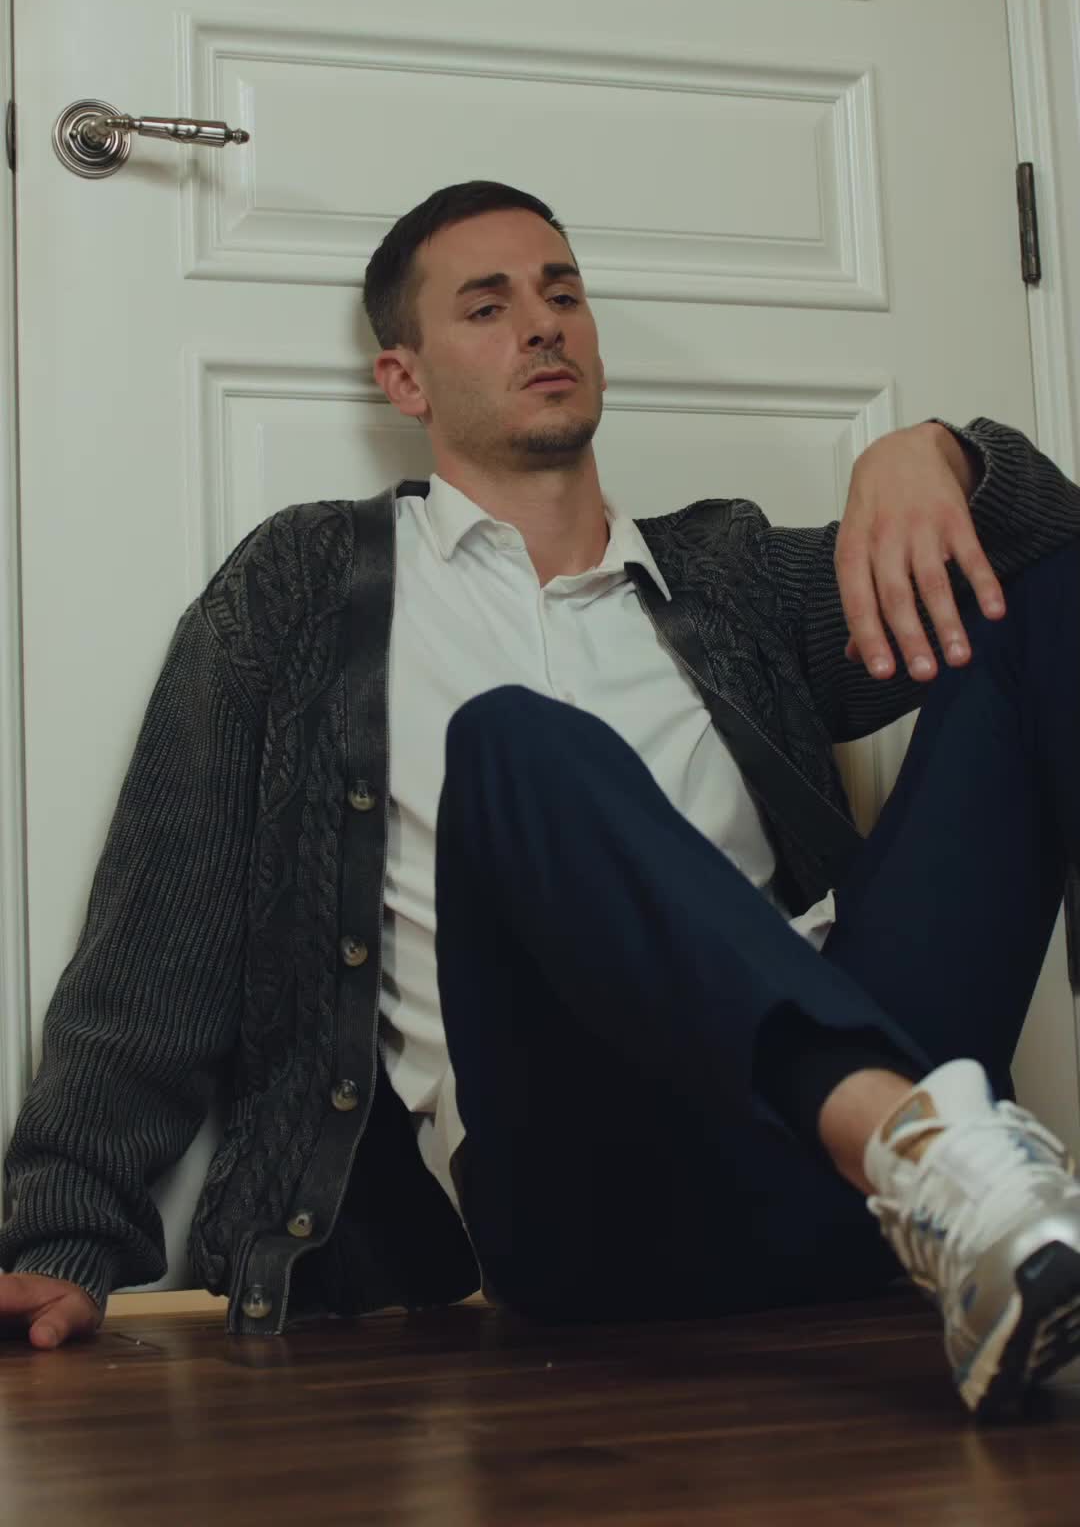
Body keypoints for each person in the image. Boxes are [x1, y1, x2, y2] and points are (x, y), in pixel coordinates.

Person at [3, 179, 1080, 1419]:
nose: (543, 323)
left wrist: (936, 452)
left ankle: (931, 1167)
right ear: (405, 380)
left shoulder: (729, 577)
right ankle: (929, 1153)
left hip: (845, 1198)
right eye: (487, 305)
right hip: (590, 1208)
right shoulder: (301, 591)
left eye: (563, 293)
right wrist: (65, 1241)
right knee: (515, 742)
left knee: (1043, 593)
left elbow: (1041, 545)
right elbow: (159, 930)